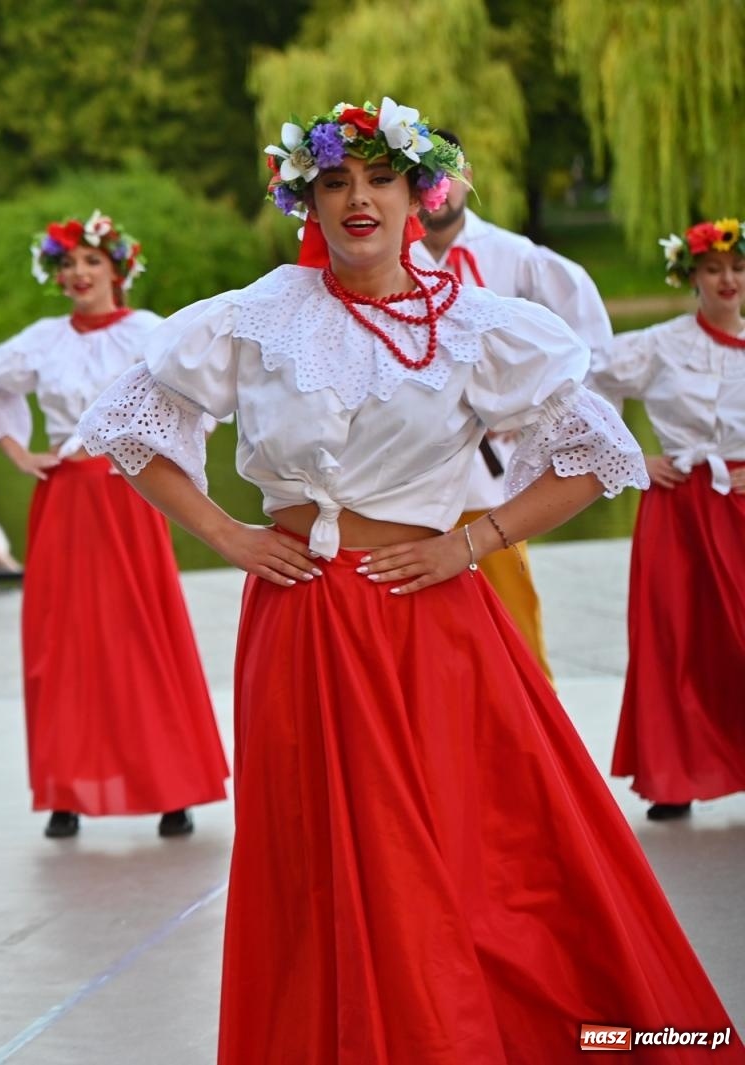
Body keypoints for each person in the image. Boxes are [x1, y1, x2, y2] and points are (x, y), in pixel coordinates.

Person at [79, 97, 741, 1063]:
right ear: (306, 197)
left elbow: (595, 455)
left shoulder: (479, 323)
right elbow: (131, 428)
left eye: (380, 179)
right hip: (301, 616)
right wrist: (226, 531)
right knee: (321, 866)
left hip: (432, 616)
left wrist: (475, 541)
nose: (358, 199)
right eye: (335, 181)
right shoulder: (254, 316)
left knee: (482, 855)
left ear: (419, 196)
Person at [0, 210, 227, 838]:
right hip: (64, 498)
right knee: (64, 641)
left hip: (130, 493)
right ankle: (67, 788)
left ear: (118, 267)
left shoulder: (150, 332)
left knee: (143, 629)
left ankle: (173, 787)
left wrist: (158, 452)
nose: (80, 274)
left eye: (91, 261)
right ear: (56, 277)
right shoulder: (42, 339)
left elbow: (200, 400)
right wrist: (19, 451)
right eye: (68, 265)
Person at [411, 128, 615, 679]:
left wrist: (533, 423)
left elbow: (587, 343)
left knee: (512, 631)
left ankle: (535, 742)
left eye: (447, 173)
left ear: (467, 177)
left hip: (487, 483)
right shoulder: (383, 261)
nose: (439, 188)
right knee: (420, 643)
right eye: (424, 176)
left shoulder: (514, 257)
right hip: (402, 484)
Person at [589, 216, 745, 821]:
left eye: (736, 268)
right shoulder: (659, 344)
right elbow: (579, 386)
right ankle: (673, 775)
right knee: (674, 640)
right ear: (692, 276)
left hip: (739, 505)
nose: (727, 279)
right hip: (678, 507)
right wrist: (631, 458)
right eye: (713, 269)